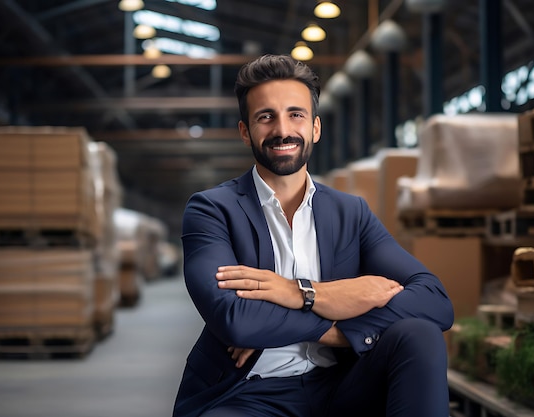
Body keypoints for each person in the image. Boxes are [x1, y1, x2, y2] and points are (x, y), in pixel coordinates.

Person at [173, 54, 454, 417]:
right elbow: (235, 319)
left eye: (296, 114)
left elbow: (434, 300)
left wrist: (297, 293)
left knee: (420, 335)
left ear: (315, 128)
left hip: (343, 385)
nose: (282, 130)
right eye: (265, 117)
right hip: (250, 393)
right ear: (245, 132)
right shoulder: (212, 210)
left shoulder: (350, 212)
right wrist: (336, 309)